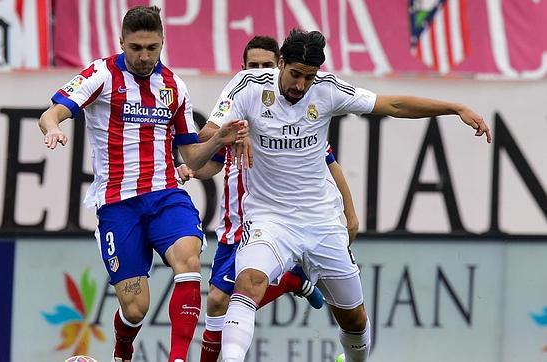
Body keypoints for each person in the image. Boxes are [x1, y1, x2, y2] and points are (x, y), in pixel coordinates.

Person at [205, 29, 491, 362]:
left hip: (322, 222)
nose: (300, 85)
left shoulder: (326, 90)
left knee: (354, 319)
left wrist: (454, 107)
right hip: (270, 219)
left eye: (308, 78)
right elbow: (210, 132)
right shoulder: (248, 87)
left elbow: (393, 104)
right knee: (248, 282)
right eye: (295, 74)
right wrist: (229, 135)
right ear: (280, 63)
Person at [38, 6, 247, 362]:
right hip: (119, 205)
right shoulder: (102, 74)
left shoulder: (174, 87)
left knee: (189, 262)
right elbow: (52, 111)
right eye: (136, 47)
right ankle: (123, 351)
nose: (144, 56)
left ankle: (177, 358)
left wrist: (217, 141)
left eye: (152, 48)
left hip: (166, 194)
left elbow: (192, 158)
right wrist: (55, 127)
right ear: (122, 42)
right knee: (135, 309)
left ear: (162, 43)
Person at [188, 35, 359, 362]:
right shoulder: (238, 114)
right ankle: (292, 280)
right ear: (243, 70)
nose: (261, 73)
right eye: (254, 67)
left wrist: (350, 213)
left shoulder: (290, 122)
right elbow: (210, 158)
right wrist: (188, 168)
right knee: (217, 301)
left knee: (223, 297)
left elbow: (329, 163)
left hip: (269, 223)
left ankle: (290, 281)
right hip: (235, 223)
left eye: (266, 65)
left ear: (277, 64)